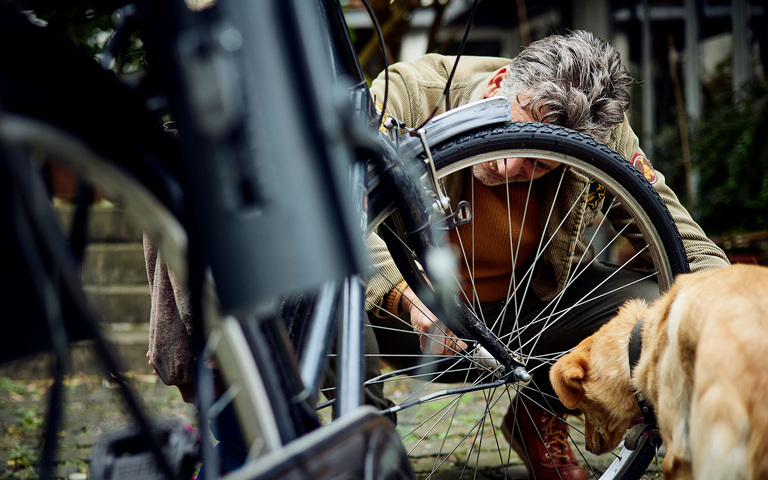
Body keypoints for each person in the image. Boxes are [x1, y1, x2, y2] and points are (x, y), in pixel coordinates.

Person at [362, 31, 729, 480]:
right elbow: (330, 207)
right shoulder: (407, 95)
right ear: (500, 84)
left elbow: (682, 241)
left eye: (538, 162)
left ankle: (540, 409)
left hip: (525, 317)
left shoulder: (601, 136)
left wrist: (736, 317)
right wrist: (404, 294)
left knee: (659, 302)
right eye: (513, 135)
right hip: (400, 323)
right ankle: (365, 443)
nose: (508, 167)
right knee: (302, 294)